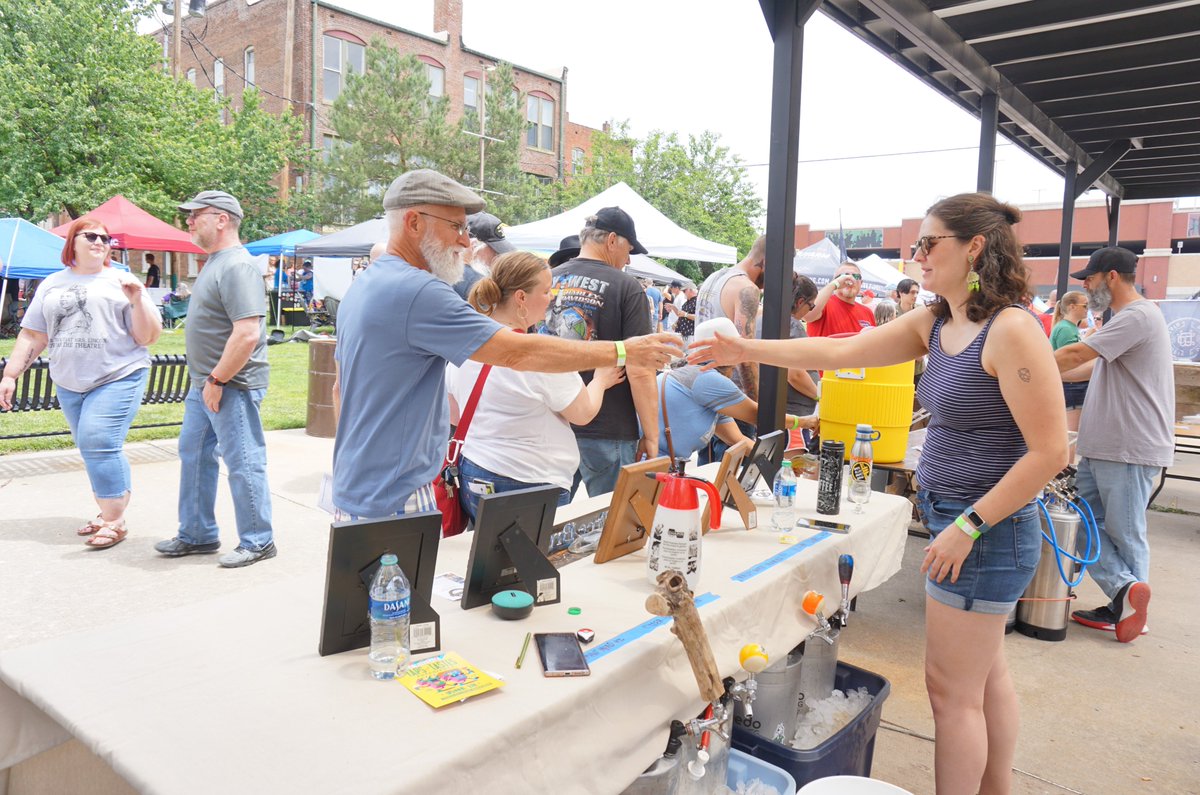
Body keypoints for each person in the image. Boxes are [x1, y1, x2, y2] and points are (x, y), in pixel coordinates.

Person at [691, 192, 1067, 795]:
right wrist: (745, 349)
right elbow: (838, 351)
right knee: (985, 677)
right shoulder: (938, 321)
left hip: (985, 533)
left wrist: (968, 526)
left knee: (951, 694)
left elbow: (1051, 453)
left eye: (928, 243)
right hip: (960, 522)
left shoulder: (1012, 330)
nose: (916, 256)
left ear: (973, 247)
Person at [332, 171, 680, 521]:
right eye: (456, 227)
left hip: (361, 485)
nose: (466, 242)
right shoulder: (418, 290)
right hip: (393, 493)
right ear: (413, 222)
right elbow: (518, 351)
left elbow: (338, 390)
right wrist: (623, 351)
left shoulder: (368, 284)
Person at [0, 219, 161, 549]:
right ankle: (108, 509)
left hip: (118, 374)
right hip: (69, 382)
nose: (101, 242)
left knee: (98, 439)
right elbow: (33, 334)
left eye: (106, 238)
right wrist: (10, 375)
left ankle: (115, 519)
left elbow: (148, 337)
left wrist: (137, 301)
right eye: (92, 236)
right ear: (73, 242)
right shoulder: (52, 283)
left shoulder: (122, 280)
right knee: (93, 449)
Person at [446, 252, 625, 520]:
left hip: (474, 472)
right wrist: (600, 381)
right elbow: (583, 413)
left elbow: (454, 414)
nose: (551, 297)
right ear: (521, 298)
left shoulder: (466, 345)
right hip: (528, 482)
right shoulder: (540, 356)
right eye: (545, 290)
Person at [1054, 247, 1174, 643]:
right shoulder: (1125, 319)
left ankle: (1133, 610)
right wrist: (1043, 378)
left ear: (1110, 277)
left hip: (1128, 445)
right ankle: (1124, 594)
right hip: (1106, 446)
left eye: (1089, 279)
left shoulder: (1138, 315)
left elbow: (1075, 353)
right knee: (1081, 524)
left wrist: (1018, 364)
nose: (1085, 288)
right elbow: (1088, 364)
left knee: (1124, 532)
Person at [154, 191, 276, 568]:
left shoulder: (237, 266)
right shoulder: (215, 263)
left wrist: (218, 379)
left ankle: (258, 540)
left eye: (195, 215)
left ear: (222, 219)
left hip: (230, 385)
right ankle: (197, 534)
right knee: (194, 454)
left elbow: (246, 333)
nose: (188, 221)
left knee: (243, 462)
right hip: (208, 385)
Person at [541, 207, 663, 497]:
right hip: (608, 428)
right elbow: (640, 369)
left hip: (552, 421)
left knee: (548, 529)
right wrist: (652, 434)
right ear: (612, 240)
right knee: (609, 525)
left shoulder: (547, 280)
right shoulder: (627, 287)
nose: (629, 258)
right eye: (629, 249)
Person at [696, 235, 766, 401]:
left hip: (702, 382)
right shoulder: (747, 288)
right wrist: (757, 409)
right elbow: (745, 356)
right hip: (730, 392)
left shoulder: (715, 276)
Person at [756, 274, 820, 449]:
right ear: (800, 302)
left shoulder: (763, 321)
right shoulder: (792, 325)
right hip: (793, 416)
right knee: (791, 470)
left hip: (779, 412)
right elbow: (794, 374)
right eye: (811, 305)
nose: (810, 311)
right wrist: (819, 395)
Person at [1050, 291, 1091, 460]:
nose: (1087, 309)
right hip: (1073, 387)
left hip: (1071, 386)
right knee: (1071, 435)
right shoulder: (1067, 329)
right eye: (1085, 305)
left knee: (1071, 433)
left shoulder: (1066, 327)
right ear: (1072, 306)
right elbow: (1073, 360)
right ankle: (1066, 474)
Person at [804, 260, 875, 337]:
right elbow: (808, 315)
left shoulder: (867, 312)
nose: (850, 279)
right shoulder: (824, 304)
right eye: (843, 276)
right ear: (835, 280)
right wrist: (834, 284)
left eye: (856, 276)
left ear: (861, 282)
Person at [453, 211, 514, 300]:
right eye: (493, 250)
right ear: (473, 246)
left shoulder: (442, 272)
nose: (498, 256)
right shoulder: (476, 283)